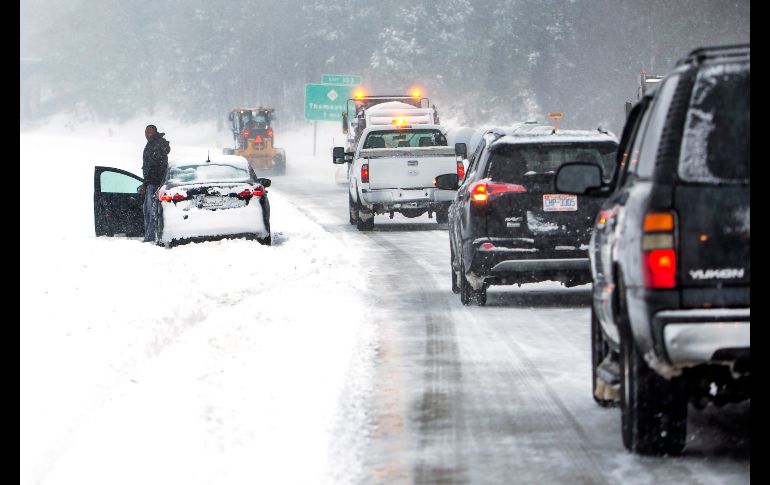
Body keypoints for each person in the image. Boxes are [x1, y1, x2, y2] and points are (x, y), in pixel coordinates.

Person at [140, 124, 171, 242]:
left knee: (151, 211)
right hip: (151, 182)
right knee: (149, 210)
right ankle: (150, 235)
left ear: (155, 132)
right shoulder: (152, 144)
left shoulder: (157, 144)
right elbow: (149, 166)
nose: (147, 134)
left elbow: (156, 166)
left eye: (150, 132)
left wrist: (148, 183)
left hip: (154, 183)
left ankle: (150, 237)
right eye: (146, 132)